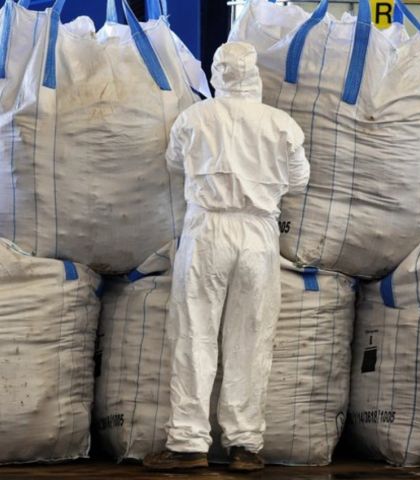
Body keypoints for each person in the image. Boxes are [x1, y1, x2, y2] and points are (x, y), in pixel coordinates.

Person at [143, 41, 310, 472]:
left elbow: (174, 162)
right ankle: (244, 445)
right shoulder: (281, 124)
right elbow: (298, 180)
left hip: (207, 230)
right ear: (255, 75)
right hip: (258, 232)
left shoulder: (193, 117)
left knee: (194, 333)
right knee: (251, 337)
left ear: (216, 73)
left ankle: (188, 443)